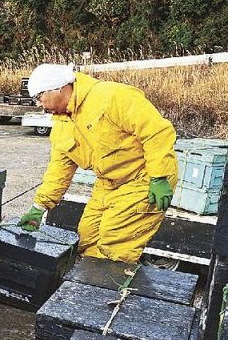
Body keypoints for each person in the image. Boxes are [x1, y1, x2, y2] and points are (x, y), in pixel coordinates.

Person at [17, 64, 178, 263]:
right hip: (108, 183)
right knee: (88, 236)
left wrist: (159, 176)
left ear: (59, 88)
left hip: (143, 178)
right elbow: (58, 171)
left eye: (39, 97)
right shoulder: (62, 126)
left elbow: (157, 132)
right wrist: (39, 207)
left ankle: (112, 280)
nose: (39, 104)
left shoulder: (112, 96)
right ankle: (90, 278)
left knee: (114, 243)